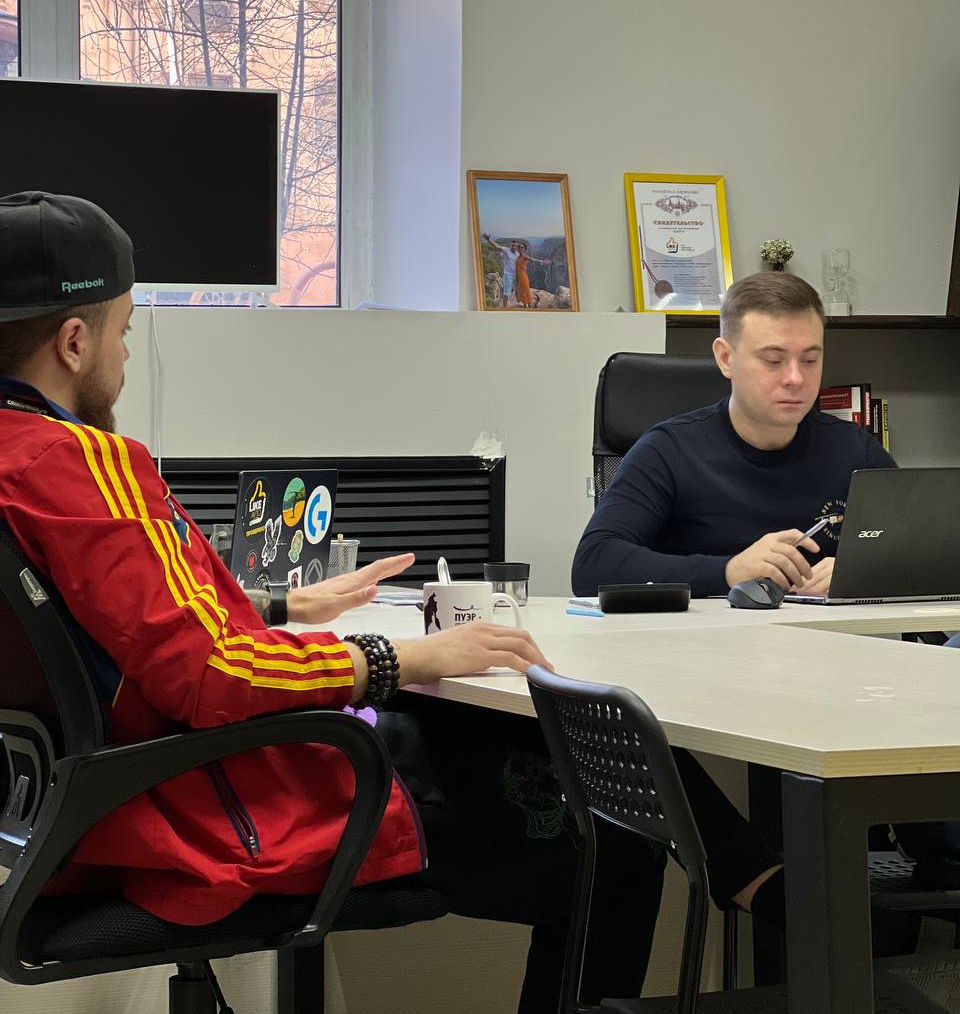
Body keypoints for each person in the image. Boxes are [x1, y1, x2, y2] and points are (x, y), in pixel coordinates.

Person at [0, 190, 666, 1013]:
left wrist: (278, 611)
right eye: (124, 331)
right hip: (210, 819)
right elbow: (211, 674)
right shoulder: (80, 462)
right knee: (614, 842)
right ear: (74, 341)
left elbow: (104, 631)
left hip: (81, 823)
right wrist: (406, 657)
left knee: (491, 741)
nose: (125, 356)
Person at [573, 272, 896, 600]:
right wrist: (728, 571)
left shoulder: (855, 451)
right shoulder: (668, 451)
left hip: (826, 631)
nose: (796, 378)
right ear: (726, 358)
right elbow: (592, 565)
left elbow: (921, 548)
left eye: (810, 360)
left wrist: (861, 571)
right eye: (773, 360)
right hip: (705, 632)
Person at [482, 233, 520, 307]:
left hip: (515, 275)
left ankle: (518, 303)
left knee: (517, 290)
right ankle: (505, 307)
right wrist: (489, 240)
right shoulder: (506, 250)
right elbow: (496, 246)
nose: (513, 247)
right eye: (512, 245)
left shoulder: (517, 254)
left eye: (515, 246)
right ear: (510, 245)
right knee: (506, 292)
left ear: (516, 247)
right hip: (508, 274)